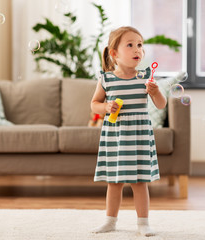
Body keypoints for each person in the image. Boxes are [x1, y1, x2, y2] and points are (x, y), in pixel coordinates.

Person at [90, 26, 167, 237]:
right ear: (114, 53)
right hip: (116, 137)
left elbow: (161, 105)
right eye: (130, 45)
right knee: (114, 182)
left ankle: (143, 223)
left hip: (139, 137)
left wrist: (156, 91)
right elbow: (94, 104)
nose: (137, 50)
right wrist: (105, 108)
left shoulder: (146, 78)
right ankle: (110, 221)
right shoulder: (106, 79)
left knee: (140, 181)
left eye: (140, 45)